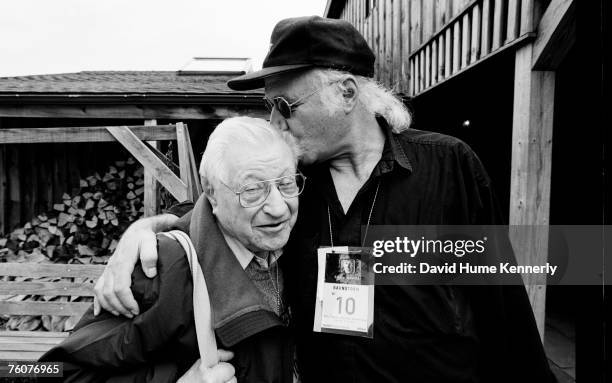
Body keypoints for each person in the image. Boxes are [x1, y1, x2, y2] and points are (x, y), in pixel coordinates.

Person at [94, 16, 555, 383]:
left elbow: (502, 307)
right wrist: (145, 230)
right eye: (269, 108)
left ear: (346, 93)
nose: (274, 124)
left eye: (285, 106)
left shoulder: (449, 165)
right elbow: (218, 209)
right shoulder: (291, 182)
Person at [41, 117, 301, 382]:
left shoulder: (289, 244)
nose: (279, 207)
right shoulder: (164, 270)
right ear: (211, 192)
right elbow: (53, 373)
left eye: (286, 183)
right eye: (253, 190)